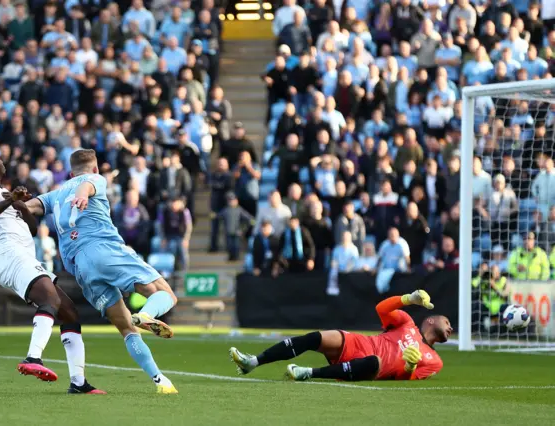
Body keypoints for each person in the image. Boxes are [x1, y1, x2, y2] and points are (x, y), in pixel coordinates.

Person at [22, 149, 179, 393]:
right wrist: (84, 194)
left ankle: (161, 380)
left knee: (126, 328)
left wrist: (9, 202)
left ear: (70, 173)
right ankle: (147, 314)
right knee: (165, 293)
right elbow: (87, 185)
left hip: (81, 269)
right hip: (104, 249)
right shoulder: (96, 179)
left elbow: (29, 206)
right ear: (95, 169)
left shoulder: (55, 195)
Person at [0, 147, 103, 394]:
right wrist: (10, 200)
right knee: (50, 298)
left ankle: (79, 383)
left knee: (70, 312)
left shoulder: (4, 192)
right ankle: (33, 358)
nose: (1, 158)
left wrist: (20, 205)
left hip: (23, 256)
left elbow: (30, 228)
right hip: (11, 254)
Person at [230, 290, 448, 381]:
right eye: (447, 322)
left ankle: (308, 373)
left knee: (374, 361)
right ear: (430, 320)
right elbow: (382, 309)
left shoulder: (435, 361)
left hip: (373, 365)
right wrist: (408, 299)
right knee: (314, 338)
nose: (450, 328)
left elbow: (405, 379)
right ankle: (253, 361)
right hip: (360, 343)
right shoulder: (407, 323)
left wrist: (409, 368)